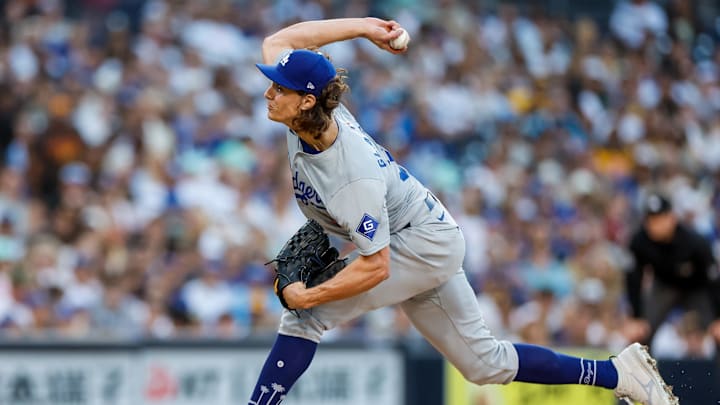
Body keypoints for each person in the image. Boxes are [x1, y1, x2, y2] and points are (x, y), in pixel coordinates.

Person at [247, 17, 678, 405]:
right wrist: (363, 27)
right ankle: (618, 373)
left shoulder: (350, 176)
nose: (268, 92)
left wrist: (311, 294)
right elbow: (281, 39)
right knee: (484, 364)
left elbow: (376, 267)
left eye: (278, 87)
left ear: (306, 101)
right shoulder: (310, 114)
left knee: (305, 317)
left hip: (417, 244)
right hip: (426, 232)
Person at [626, 192, 720, 348]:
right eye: (651, 220)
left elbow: (713, 278)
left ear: (672, 217)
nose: (655, 224)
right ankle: (641, 372)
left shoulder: (694, 242)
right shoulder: (639, 242)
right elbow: (633, 277)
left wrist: (718, 315)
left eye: (660, 218)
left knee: (717, 331)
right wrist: (636, 316)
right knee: (640, 333)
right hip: (665, 286)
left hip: (697, 288)